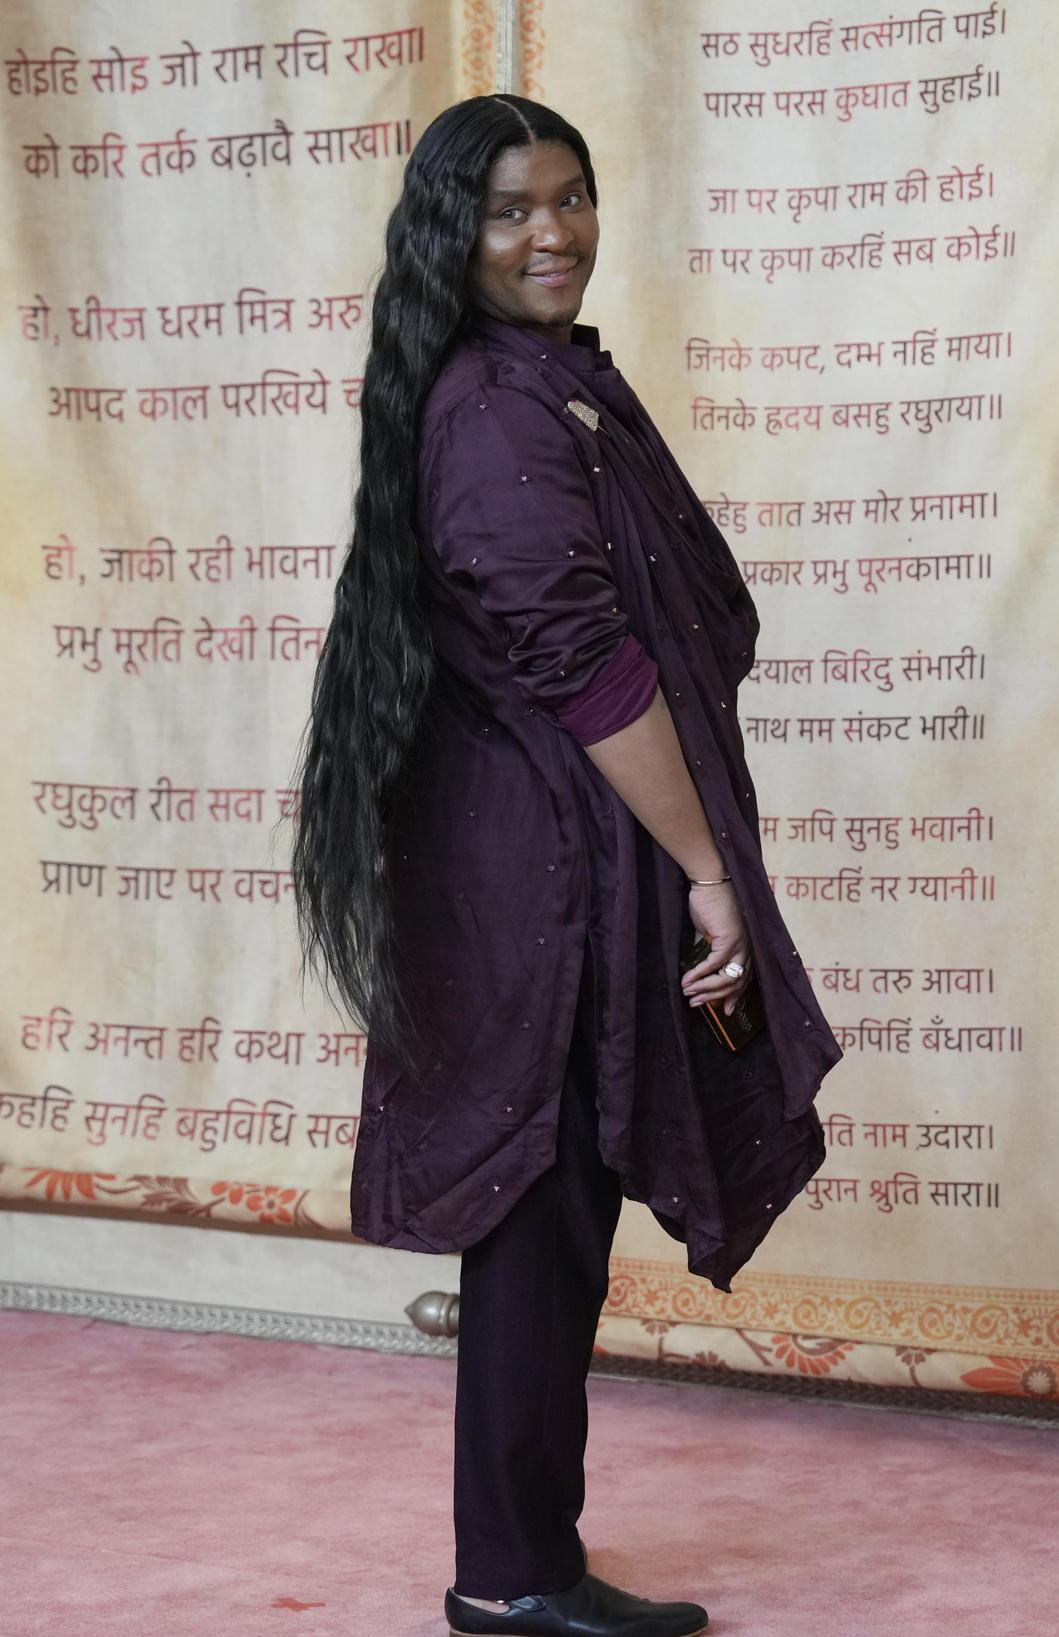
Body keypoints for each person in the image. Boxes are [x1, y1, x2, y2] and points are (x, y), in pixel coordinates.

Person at [289, 94, 843, 1637]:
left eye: (572, 199)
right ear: (451, 238)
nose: (553, 234)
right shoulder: (491, 410)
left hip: (550, 856)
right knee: (536, 1214)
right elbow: (587, 664)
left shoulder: (538, 389)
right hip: (547, 876)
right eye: (512, 210)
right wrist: (705, 868)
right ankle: (513, 1575)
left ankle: (521, 1562)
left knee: (557, 1214)